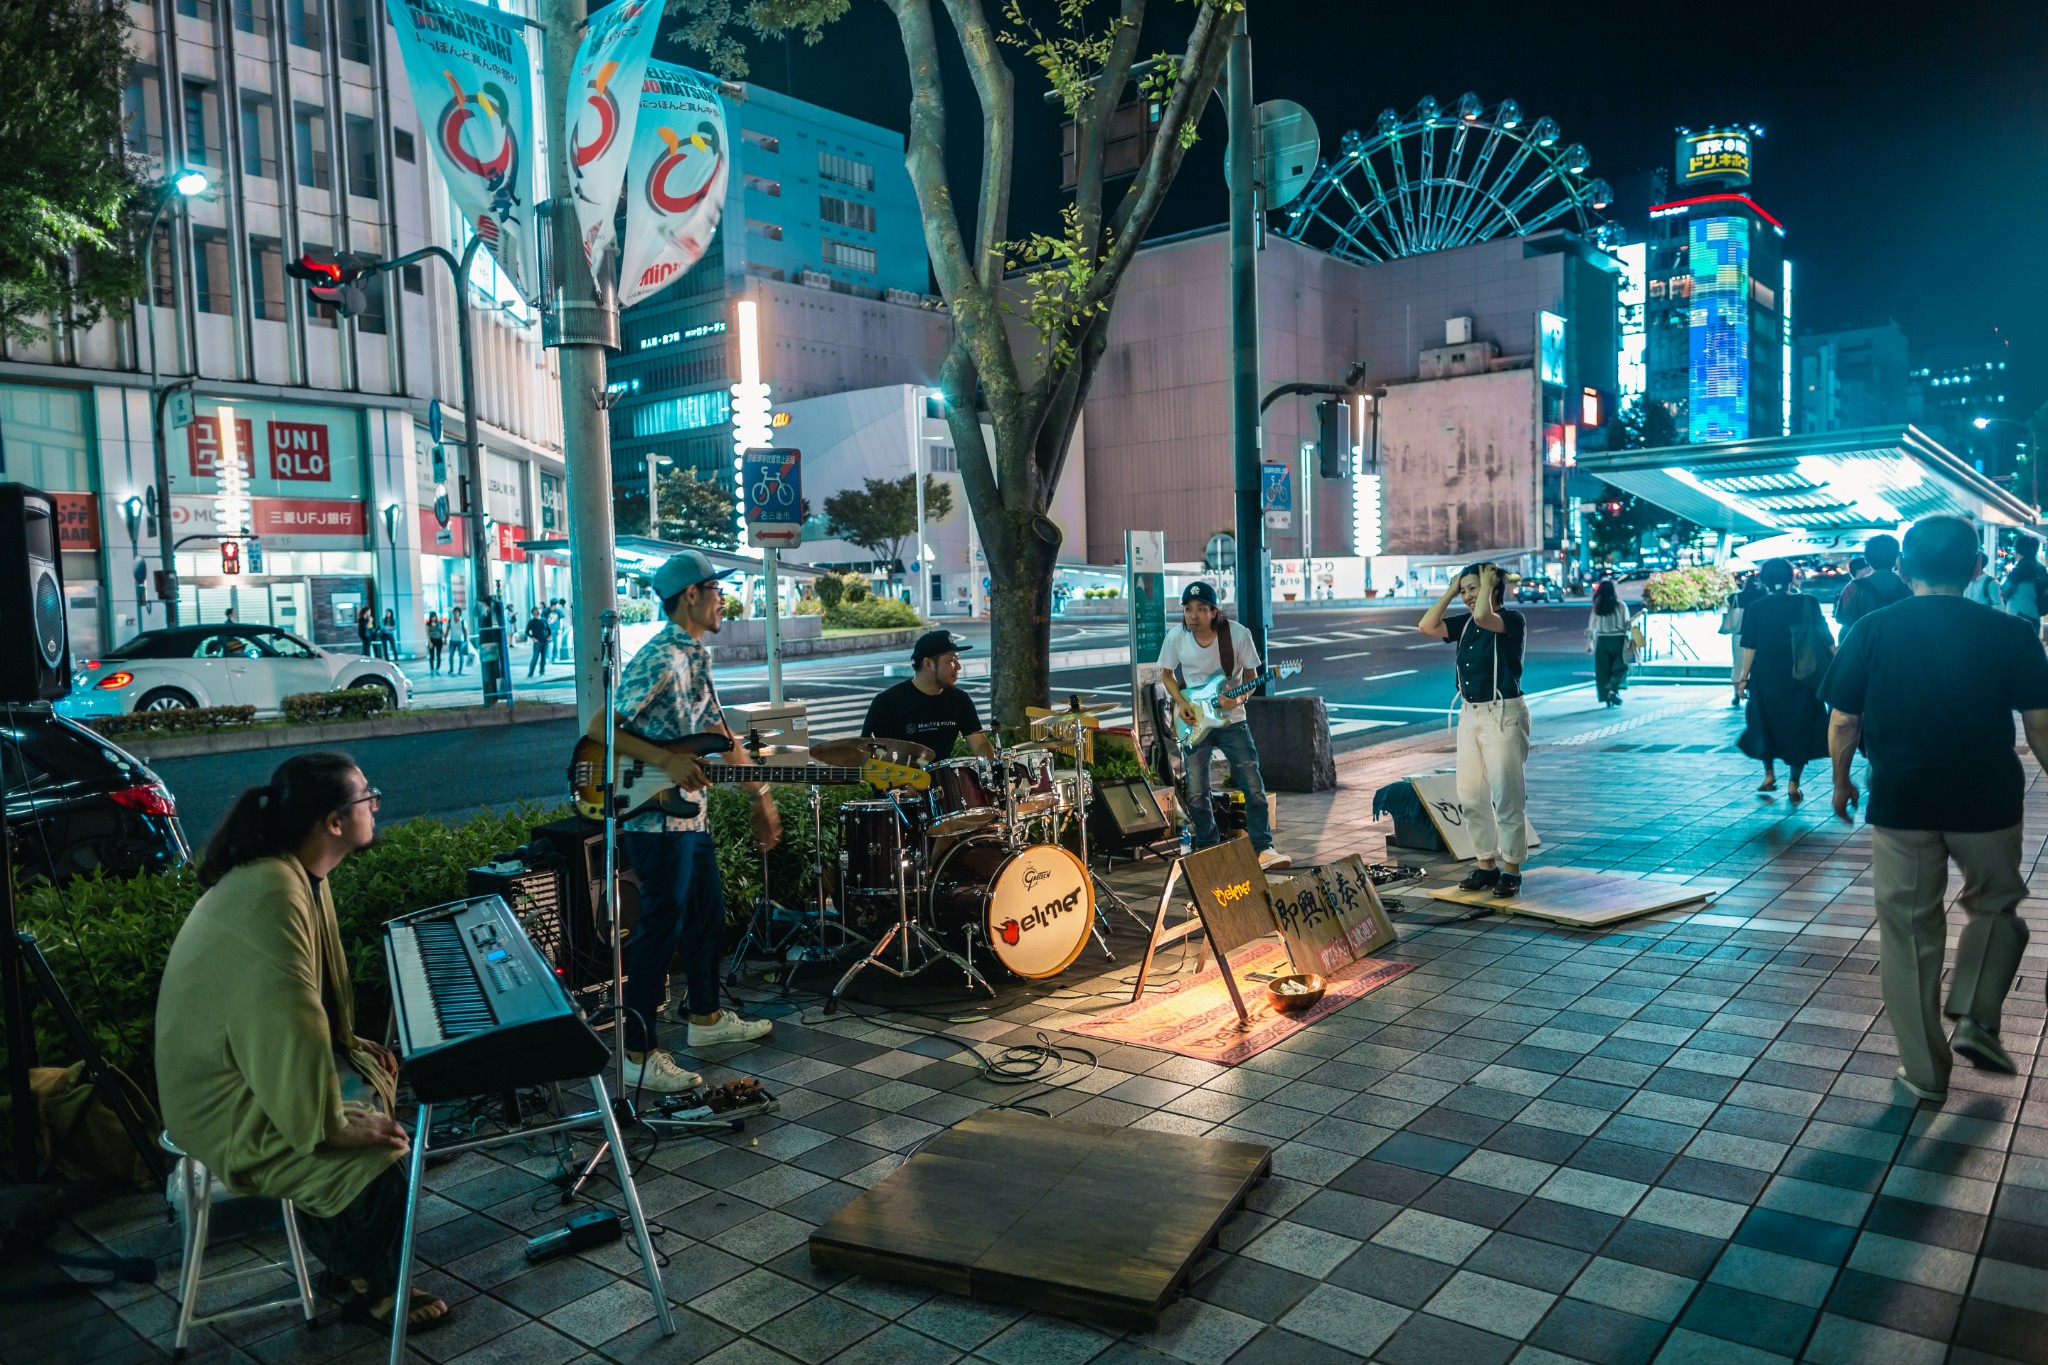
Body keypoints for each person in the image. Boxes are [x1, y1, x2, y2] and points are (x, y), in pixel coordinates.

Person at [155, 754, 450, 1332]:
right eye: (367, 797)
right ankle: (372, 1285)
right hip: (219, 1104)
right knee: (379, 1155)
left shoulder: (289, 873)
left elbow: (297, 1018)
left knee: (374, 1078)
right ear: (334, 822)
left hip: (241, 1071)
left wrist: (352, 1052)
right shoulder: (273, 891)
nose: (376, 805)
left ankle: (351, 1264)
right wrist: (328, 1123)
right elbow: (289, 1022)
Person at [1821, 516, 2048, 1103]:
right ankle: (1975, 1015)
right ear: (1977, 567)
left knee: (1910, 933)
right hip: (1989, 802)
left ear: (1902, 567)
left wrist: (1842, 783)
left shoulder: (1869, 630)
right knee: (1995, 906)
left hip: (1903, 802)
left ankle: (1924, 1074)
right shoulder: (2012, 633)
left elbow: (1845, 719)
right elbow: (2040, 723)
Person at [595, 550, 778, 1092]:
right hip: (653, 817)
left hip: (689, 819)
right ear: (691, 596)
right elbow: (601, 728)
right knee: (660, 928)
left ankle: (705, 1019)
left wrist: (759, 796)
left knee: (708, 916)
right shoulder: (661, 655)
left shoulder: (695, 655)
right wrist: (668, 762)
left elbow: (721, 734)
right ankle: (637, 1052)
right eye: (716, 590)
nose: (724, 599)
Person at [1158, 582, 1286, 871]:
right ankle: (1208, 847)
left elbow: (1252, 675)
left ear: (1214, 611)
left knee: (1252, 784)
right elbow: (1166, 674)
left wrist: (1240, 696)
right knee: (1196, 791)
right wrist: (1181, 702)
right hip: (1194, 721)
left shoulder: (1238, 635)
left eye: (1201, 609)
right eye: (1188, 609)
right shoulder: (1177, 637)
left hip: (1233, 722)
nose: (1193, 615)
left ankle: (1263, 847)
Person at [1420, 563, 1530, 896]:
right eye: (1464, 590)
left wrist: (1484, 584)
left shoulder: (1511, 620)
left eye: (1473, 588)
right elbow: (1427, 625)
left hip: (1504, 714)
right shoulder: (1466, 622)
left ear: (1492, 585)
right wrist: (1451, 590)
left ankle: (1511, 869)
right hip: (1471, 714)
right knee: (1470, 795)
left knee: (1505, 796)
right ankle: (1486, 864)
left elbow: (1484, 616)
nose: (1469, 596)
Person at [1734, 558, 1830, 801]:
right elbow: (1826, 638)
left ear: (1762, 579)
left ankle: (1768, 776)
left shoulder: (1757, 607)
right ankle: (1793, 784)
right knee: (1800, 727)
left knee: (1765, 724)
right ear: (1791, 577)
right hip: (1802, 677)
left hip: (1765, 678)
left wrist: (1743, 679)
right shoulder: (1808, 602)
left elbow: (1750, 646)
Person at [861, 630, 996, 760]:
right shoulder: (887, 702)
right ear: (928, 663)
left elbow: (979, 744)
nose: (958, 666)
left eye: (957, 659)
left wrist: (992, 771)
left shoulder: (960, 700)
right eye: (951, 660)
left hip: (946, 781)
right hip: (901, 780)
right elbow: (866, 751)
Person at [1835, 533, 1912, 629]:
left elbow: (1843, 619)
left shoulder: (1853, 588)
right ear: (1896, 557)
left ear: (1866, 559)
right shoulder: (1910, 585)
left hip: (1867, 642)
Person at [1586, 578, 1633, 707]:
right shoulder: (1621, 605)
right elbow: (1627, 623)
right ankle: (1612, 690)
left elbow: (1592, 626)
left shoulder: (1598, 608)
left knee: (1602, 671)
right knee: (1620, 667)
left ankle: (1606, 695)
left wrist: (1590, 643)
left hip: (1601, 641)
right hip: (1618, 640)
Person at [1722, 572, 1764, 706]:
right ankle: (1753, 692)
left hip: (1739, 635)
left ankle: (1736, 694)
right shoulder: (1762, 598)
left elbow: (1729, 613)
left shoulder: (1735, 597)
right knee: (1756, 664)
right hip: (1758, 635)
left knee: (1738, 664)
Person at [2001, 534, 2047, 639]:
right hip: (2035, 616)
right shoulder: (2041, 569)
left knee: (2015, 651)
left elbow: (2003, 591)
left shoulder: (2020, 568)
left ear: (2018, 550)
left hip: (2018, 616)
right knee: (2030, 651)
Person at [525, 608, 550, 678]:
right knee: (535, 657)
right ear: (533, 613)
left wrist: (549, 636)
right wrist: (532, 638)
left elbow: (548, 629)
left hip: (545, 641)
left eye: (538, 610)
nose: (537, 612)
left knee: (543, 658)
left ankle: (542, 672)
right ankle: (530, 673)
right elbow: (526, 632)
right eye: (535, 611)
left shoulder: (544, 620)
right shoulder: (531, 622)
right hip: (537, 642)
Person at [447, 610, 470, 675]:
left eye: (457, 612)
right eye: (454, 612)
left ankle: (460, 669)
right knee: (451, 656)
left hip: (460, 641)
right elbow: (448, 629)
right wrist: (445, 638)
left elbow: (465, 631)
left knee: (461, 655)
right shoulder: (450, 620)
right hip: (452, 640)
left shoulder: (462, 621)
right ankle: (451, 669)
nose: (455, 613)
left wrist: (466, 639)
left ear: (459, 613)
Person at [546, 598, 568, 663]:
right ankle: (546, 658)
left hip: (555, 630)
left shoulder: (558, 611)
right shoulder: (546, 611)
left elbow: (561, 619)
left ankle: (554, 657)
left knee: (555, 644)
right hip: (548, 630)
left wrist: (560, 629)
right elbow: (543, 620)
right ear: (554, 604)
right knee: (547, 644)